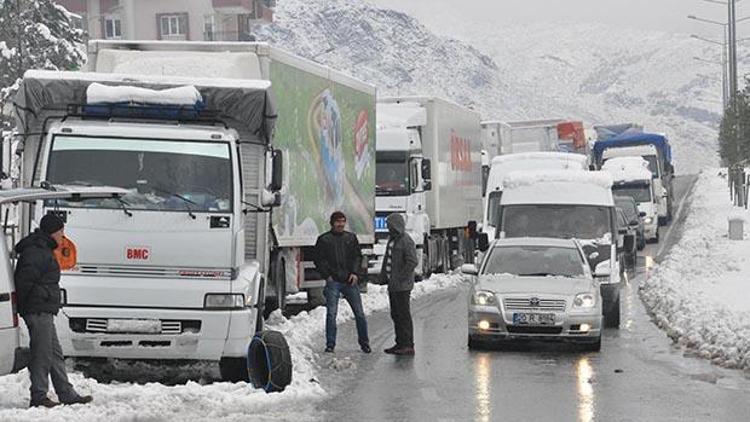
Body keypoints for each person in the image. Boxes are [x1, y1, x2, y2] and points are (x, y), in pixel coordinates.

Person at [15, 214, 93, 408]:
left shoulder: (43, 249)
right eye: (60, 231)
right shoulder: (36, 251)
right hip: (38, 309)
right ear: (52, 231)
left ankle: (66, 393)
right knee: (42, 353)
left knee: (55, 353)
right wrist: (32, 303)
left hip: (43, 309)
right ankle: (39, 395)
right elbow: (24, 281)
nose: (62, 236)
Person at [313, 211, 370, 354]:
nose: (341, 224)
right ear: (332, 223)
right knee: (331, 314)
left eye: (343, 221)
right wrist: (327, 276)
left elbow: (358, 257)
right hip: (334, 281)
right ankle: (330, 344)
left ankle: (365, 343)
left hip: (350, 281)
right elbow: (319, 260)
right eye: (338, 222)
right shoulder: (324, 240)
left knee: (359, 314)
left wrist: (355, 273)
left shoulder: (351, 238)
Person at [379, 213, 418, 356]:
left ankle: (408, 344)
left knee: (403, 315)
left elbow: (412, 262)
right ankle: (400, 342)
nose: (388, 228)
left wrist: (400, 277)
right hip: (393, 285)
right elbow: (388, 259)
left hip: (402, 286)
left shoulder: (406, 241)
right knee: (395, 314)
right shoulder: (392, 240)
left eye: (389, 225)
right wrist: (384, 276)